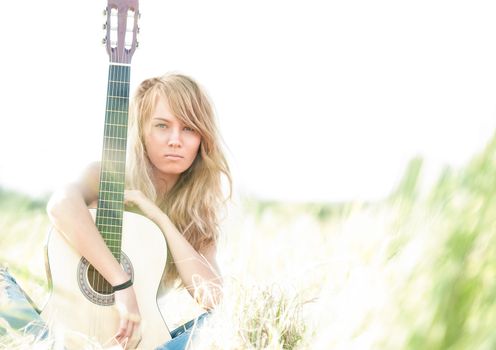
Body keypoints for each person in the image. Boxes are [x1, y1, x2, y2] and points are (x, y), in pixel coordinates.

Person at [0, 73, 232, 349]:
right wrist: (121, 282)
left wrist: (160, 218)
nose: (174, 140)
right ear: (142, 130)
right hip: (65, 330)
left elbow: (214, 297)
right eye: (161, 125)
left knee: (222, 323)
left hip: (136, 341)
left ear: (202, 138)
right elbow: (61, 205)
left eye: (189, 129)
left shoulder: (197, 211)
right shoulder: (108, 176)